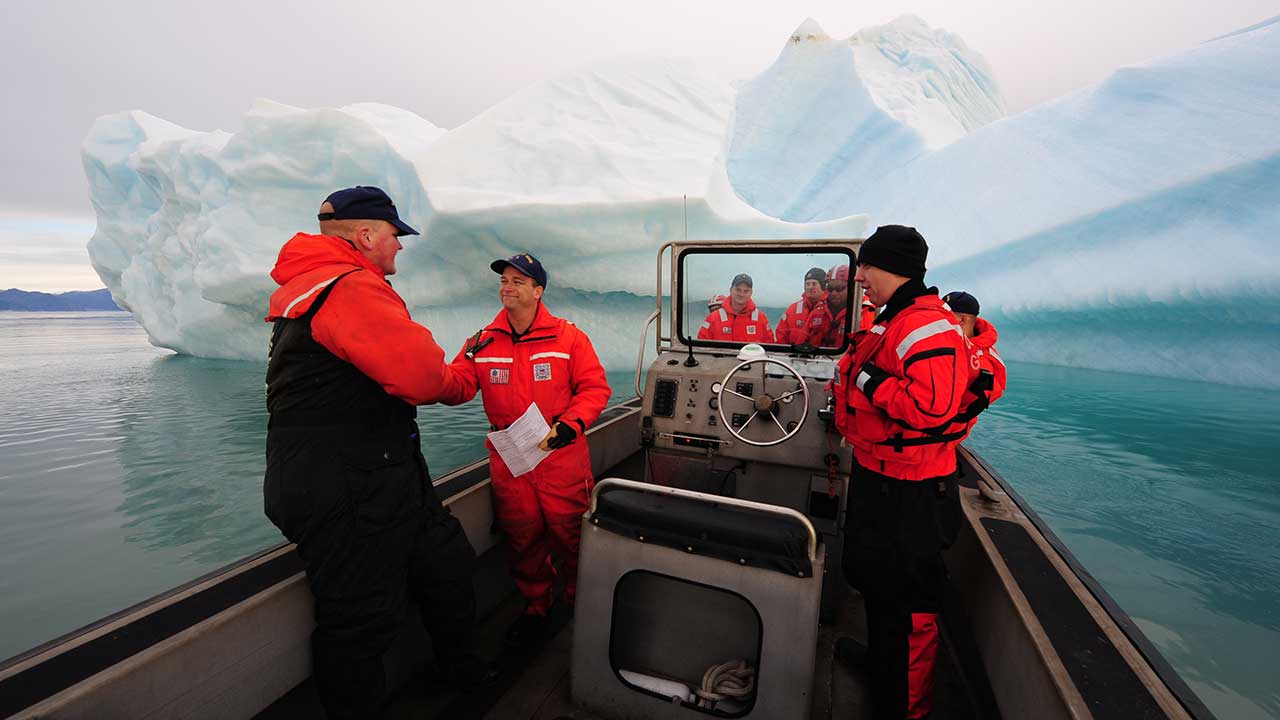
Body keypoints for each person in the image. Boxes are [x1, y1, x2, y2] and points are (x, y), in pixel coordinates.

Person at [263, 186, 492, 719]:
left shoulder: (314, 288)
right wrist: (460, 379)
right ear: (365, 236)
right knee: (358, 622)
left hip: (376, 475)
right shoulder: (349, 287)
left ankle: (463, 674)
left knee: (444, 562)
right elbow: (417, 374)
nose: (400, 247)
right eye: (394, 235)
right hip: (348, 486)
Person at [831, 225, 975, 720]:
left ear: (883, 265)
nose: (860, 278)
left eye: (864, 268)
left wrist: (869, 381)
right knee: (876, 581)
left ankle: (907, 709)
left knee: (910, 604)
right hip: (881, 474)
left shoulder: (925, 326)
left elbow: (930, 407)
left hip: (913, 489)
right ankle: (881, 665)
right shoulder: (893, 319)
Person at [439, 253, 611, 647]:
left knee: (571, 534)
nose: (507, 286)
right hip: (510, 459)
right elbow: (458, 385)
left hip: (559, 454)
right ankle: (537, 606)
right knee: (522, 536)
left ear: (538, 291)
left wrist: (570, 425)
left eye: (518, 280)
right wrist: (419, 373)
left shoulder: (568, 338)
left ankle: (579, 601)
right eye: (504, 280)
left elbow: (595, 388)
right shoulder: (482, 341)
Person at [942, 291, 1006, 439]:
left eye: (944, 315)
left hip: (940, 435)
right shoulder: (953, 346)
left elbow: (963, 407)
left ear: (962, 319)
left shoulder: (982, 362)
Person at [697, 273, 774, 343]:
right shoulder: (713, 318)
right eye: (738, 289)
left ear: (751, 293)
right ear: (731, 290)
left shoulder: (761, 319)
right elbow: (700, 346)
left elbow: (770, 347)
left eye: (746, 291)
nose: (741, 294)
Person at [774, 266, 833, 346]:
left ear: (823, 285)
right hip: (794, 355)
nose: (810, 287)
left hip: (822, 356)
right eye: (807, 284)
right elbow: (781, 336)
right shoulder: (792, 309)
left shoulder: (832, 308)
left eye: (814, 284)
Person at [822, 264, 876, 347]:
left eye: (840, 288)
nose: (834, 293)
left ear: (851, 287)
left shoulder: (862, 313)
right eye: (830, 288)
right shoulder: (818, 310)